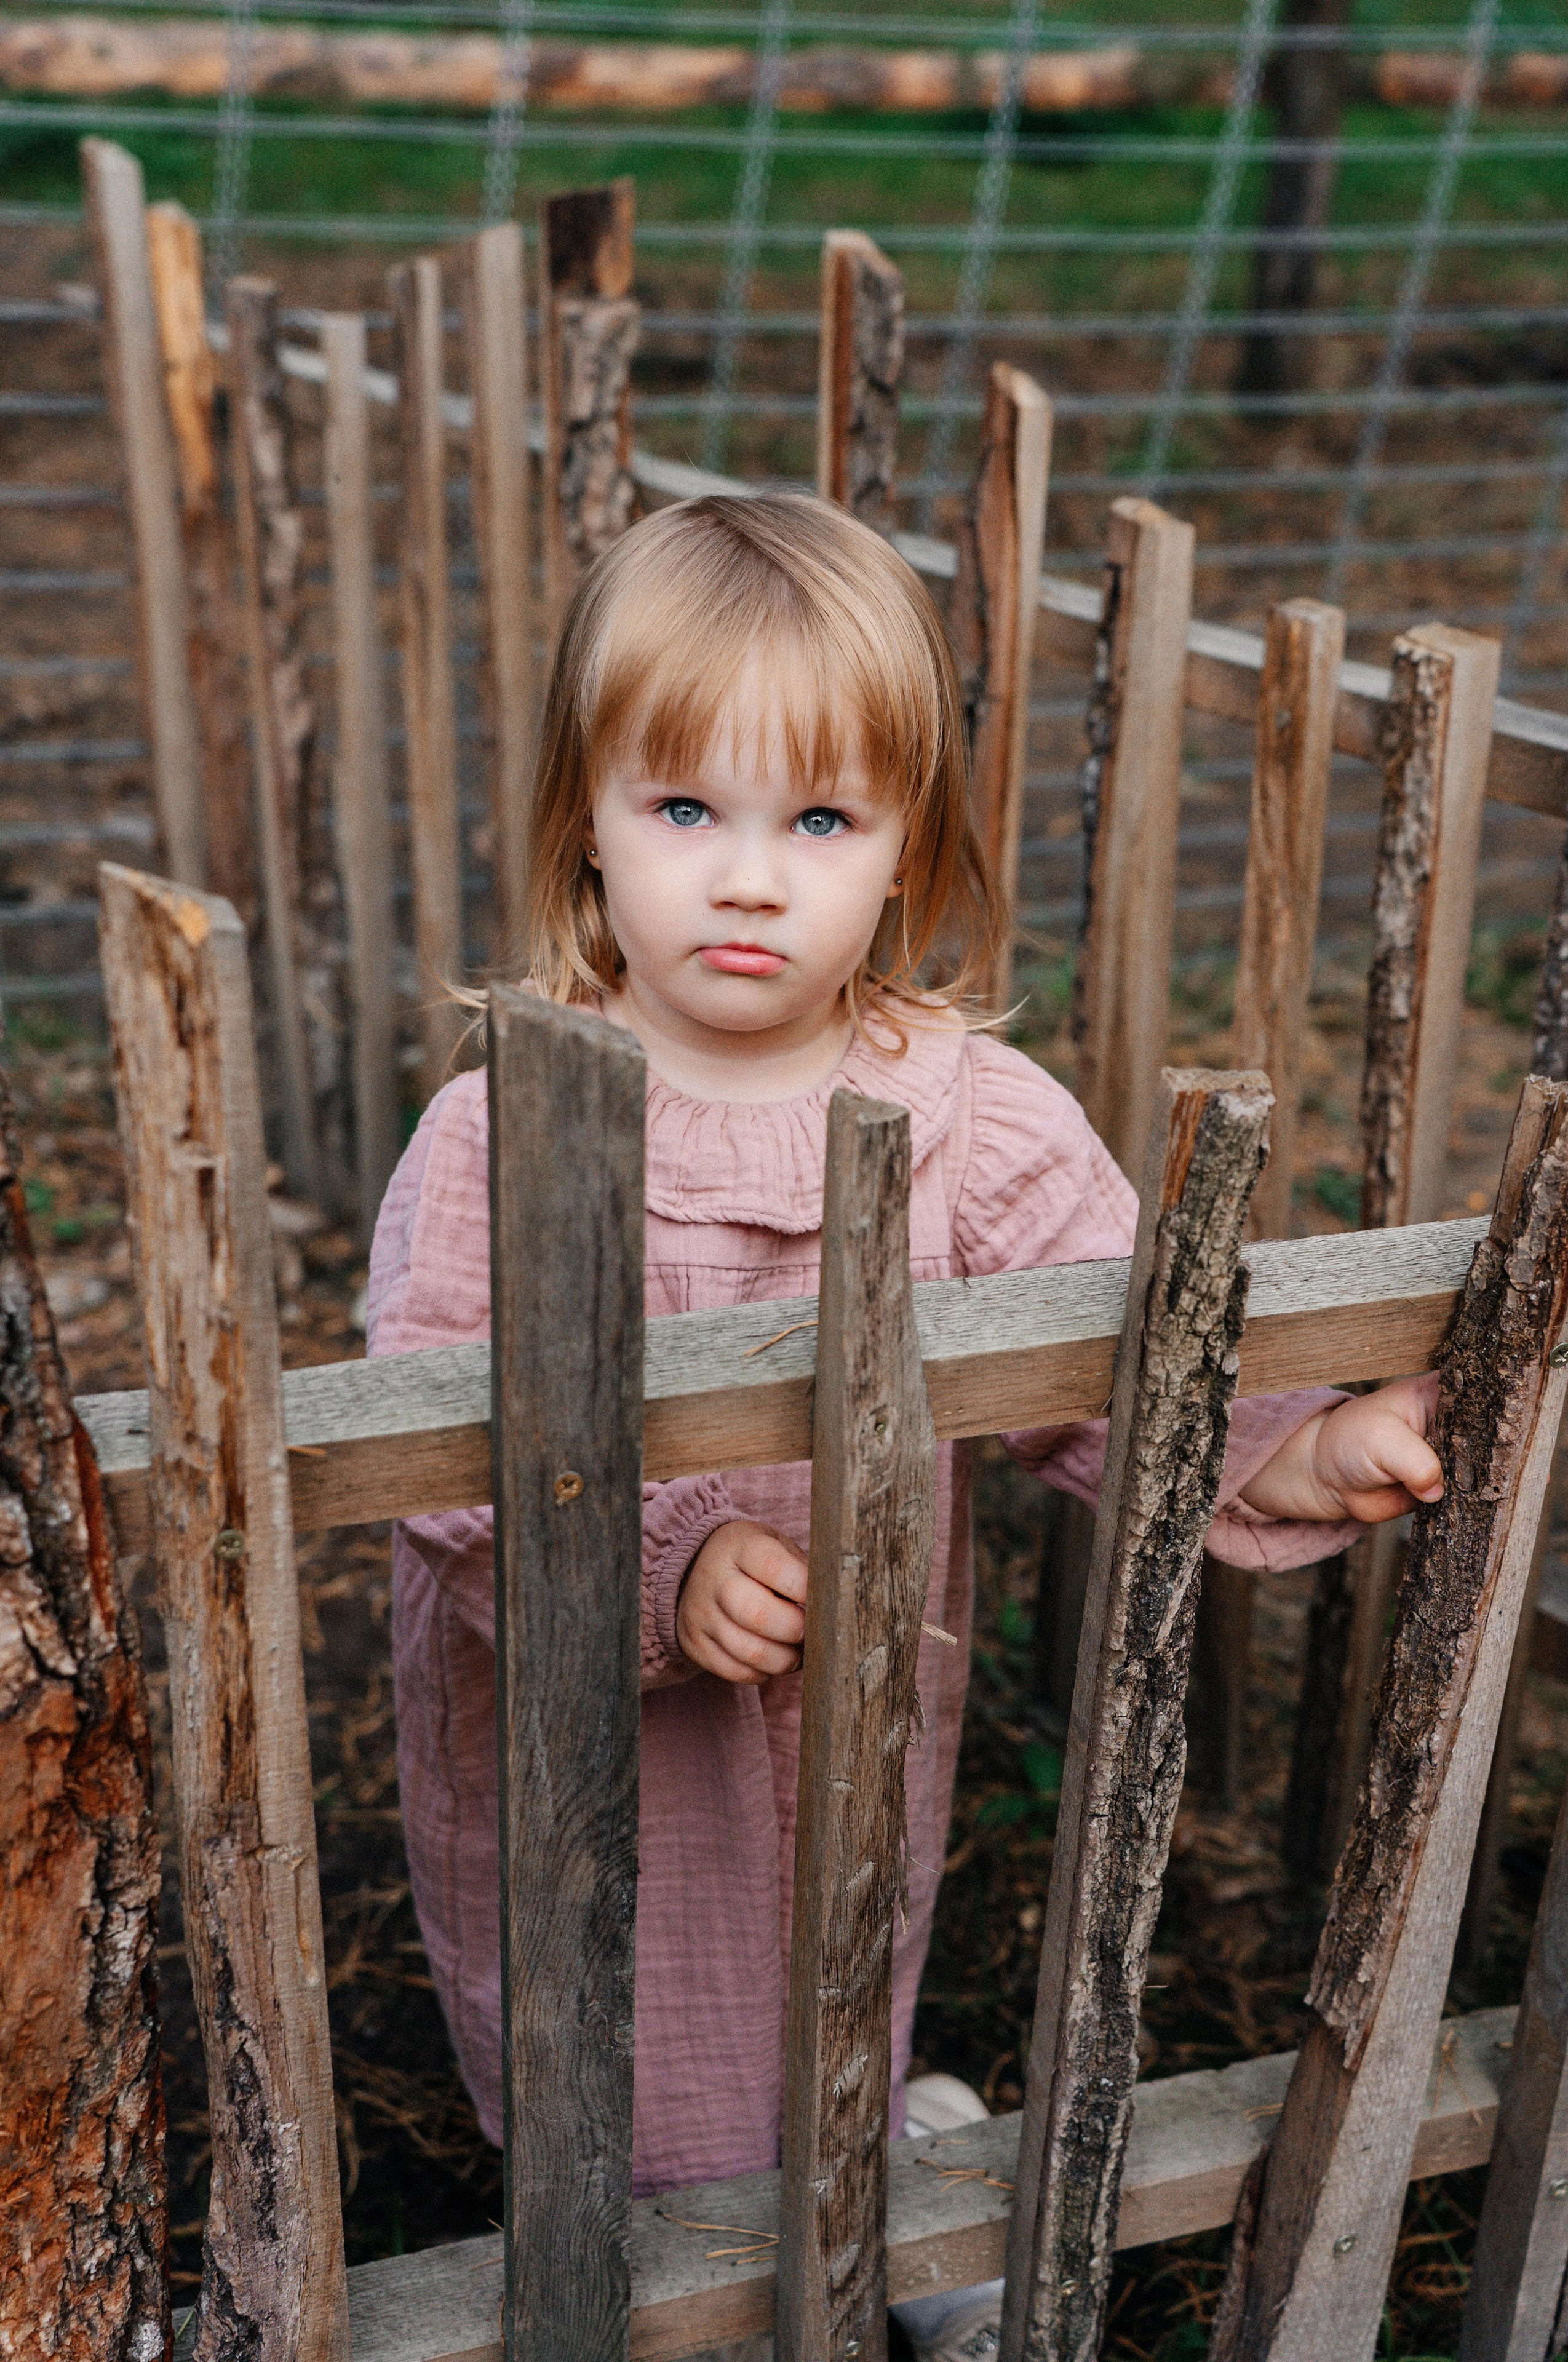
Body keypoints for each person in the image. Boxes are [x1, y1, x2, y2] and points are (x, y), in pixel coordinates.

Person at [367, 493, 1442, 2358]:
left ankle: (871, 2180)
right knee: (611, 2029)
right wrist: (657, 1559)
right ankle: (682, 2279)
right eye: (685, 809)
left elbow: (1124, 1350)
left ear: (906, 851)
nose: (751, 878)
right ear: (583, 822)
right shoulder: (509, 1125)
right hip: (575, 1742)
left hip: (851, 1707)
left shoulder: (972, 1119)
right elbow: (442, 1453)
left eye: (821, 821)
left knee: (842, 1943)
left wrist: (1292, 1446)